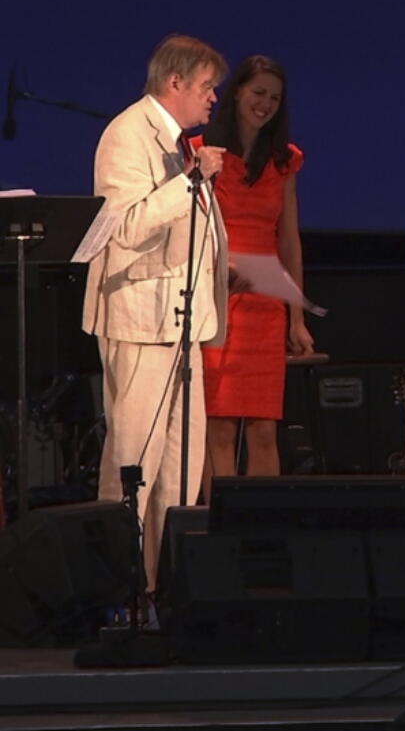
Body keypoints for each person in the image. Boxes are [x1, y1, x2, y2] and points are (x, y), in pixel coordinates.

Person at [82, 35, 228, 585]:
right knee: (131, 469)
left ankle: (163, 590)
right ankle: (117, 592)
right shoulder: (126, 135)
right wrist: (190, 182)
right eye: (207, 86)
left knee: (180, 472)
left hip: (181, 323)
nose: (214, 98)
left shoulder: (179, 140)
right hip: (142, 321)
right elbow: (121, 228)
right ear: (175, 83)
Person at [194, 56, 313, 502]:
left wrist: (297, 318)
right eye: (258, 92)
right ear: (238, 92)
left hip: (265, 301)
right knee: (219, 426)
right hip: (217, 298)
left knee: (264, 429)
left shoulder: (285, 161)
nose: (265, 103)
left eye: (274, 97)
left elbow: (289, 240)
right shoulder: (204, 150)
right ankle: (220, 527)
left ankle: (263, 528)